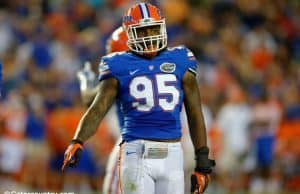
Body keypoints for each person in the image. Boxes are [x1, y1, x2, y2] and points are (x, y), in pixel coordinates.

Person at [62, 2, 215, 194]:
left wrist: (202, 160)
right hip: (135, 151)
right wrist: (78, 140)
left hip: (172, 152)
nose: (149, 36)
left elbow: (194, 112)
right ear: (130, 35)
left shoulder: (181, 59)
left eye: (153, 29)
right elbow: (97, 107)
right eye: (143, 31)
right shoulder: (117, 64)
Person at [76, 26, 128, 194]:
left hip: (132, 141)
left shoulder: (120, 72)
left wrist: (85, 79)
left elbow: (89, 99)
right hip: (167, 141)